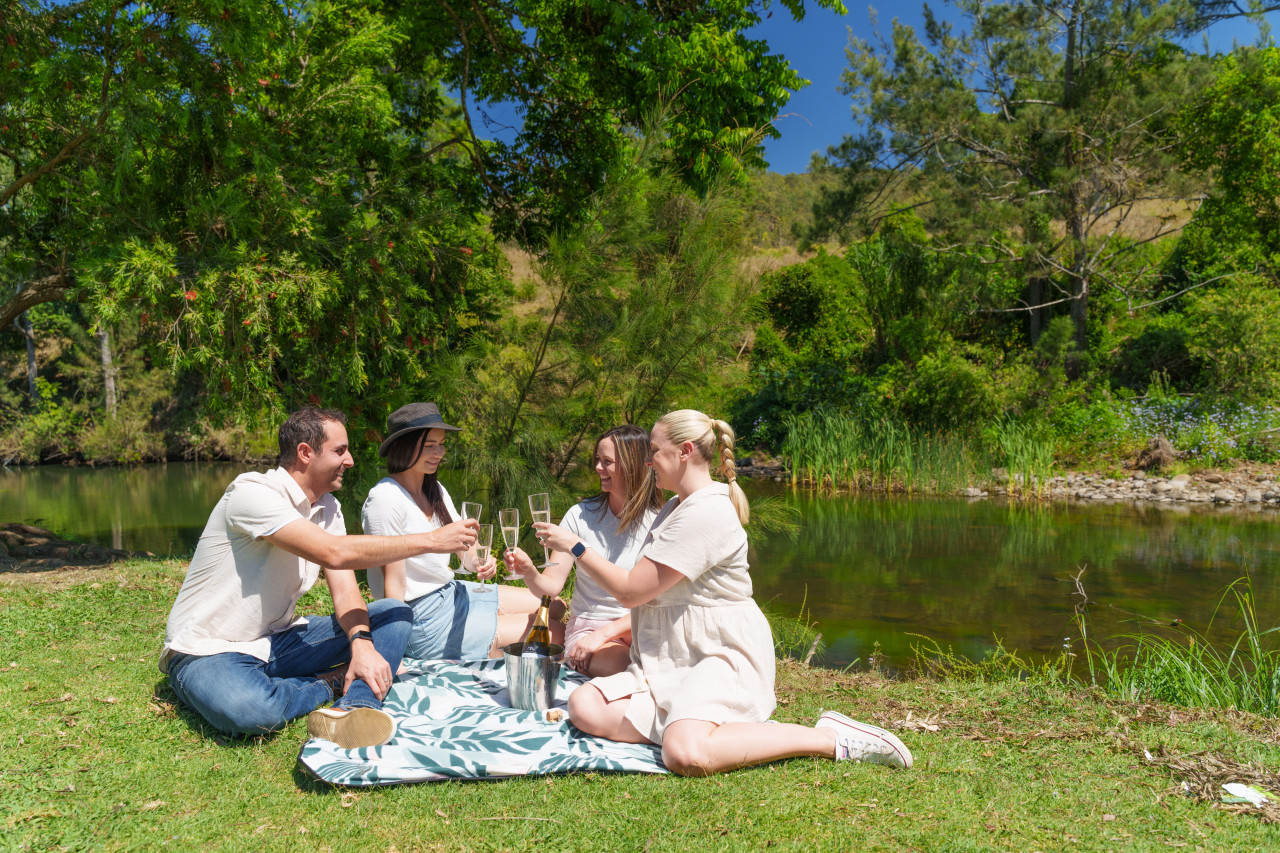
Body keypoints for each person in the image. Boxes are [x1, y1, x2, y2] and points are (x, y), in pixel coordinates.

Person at [533, 409, 914, 777]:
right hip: (672, 654)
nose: (647, 462)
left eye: (655, 451)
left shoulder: (706, 512)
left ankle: (828, 737)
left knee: (686, 756)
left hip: (716, 652)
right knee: (586, 706)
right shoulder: (675, 506)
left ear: (685, 451)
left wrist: (576, 546)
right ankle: (705, 727)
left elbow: (632, 593)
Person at [160, 407, 479, 749]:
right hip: (208, 649)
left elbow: (345, 592)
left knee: (394, 613)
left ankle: (355, 706)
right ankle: (332, 683)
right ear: (305, 453)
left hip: (276, 642)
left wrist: (361, 644)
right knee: (250, 710)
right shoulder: (252, 493)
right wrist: (432, 540)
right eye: (340, 451)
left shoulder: (329, 509)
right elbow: (333, 552)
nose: (350, 461)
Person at [362, 402, 564, 660]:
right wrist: (393, 652)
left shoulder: (434, 489)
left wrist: (480, 561)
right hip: (422, 618)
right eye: (430, 446)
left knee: (555, 607)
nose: (439, 453)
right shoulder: (385, 499)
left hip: (452, 593)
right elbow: (394, 584)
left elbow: (465, 549)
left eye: (441, 444)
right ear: (404, 446)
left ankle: (491, 636)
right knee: (557, 633)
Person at [504, 425, 663, 676]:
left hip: (642, 627)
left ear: (632, 465)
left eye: (607, 461)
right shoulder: (581, 515)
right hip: (591, 630)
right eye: (597, 460)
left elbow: (657, 600)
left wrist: (612, 632)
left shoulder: (660, 521)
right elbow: (551, 587)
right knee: (626, 667)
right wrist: (529, 572)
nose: (598, 467)